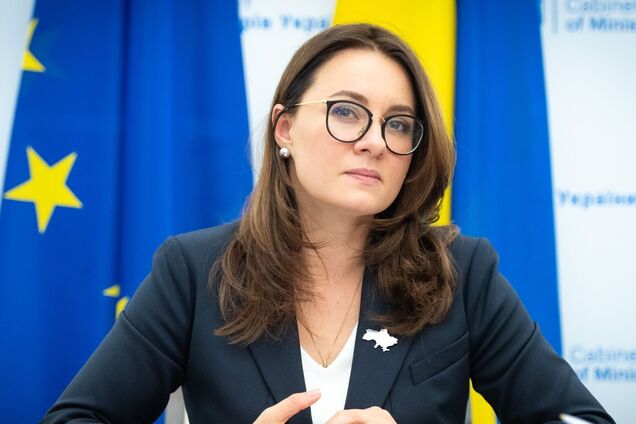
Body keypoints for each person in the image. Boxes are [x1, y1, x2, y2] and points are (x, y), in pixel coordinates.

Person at [42, 23, 614, 424]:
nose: (374, 141)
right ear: (284, 129)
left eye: (398, 124)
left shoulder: (464, 274)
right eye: (346, 112)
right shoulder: (194, 272)